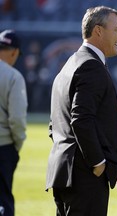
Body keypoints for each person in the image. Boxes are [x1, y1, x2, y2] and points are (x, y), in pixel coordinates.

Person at [45, 6, 117, 216]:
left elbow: (55, 124)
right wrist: (98, 162)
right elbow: (80, 119)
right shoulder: (91, 66)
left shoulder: (70, 63)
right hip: (85, 175)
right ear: (98, 31)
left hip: (64, 172)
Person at [0, 29, 27, 216]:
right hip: (3, 146)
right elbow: (17, 119)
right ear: (14, 51)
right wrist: (17, 144)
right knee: (3, 201)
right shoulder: (13, 76)